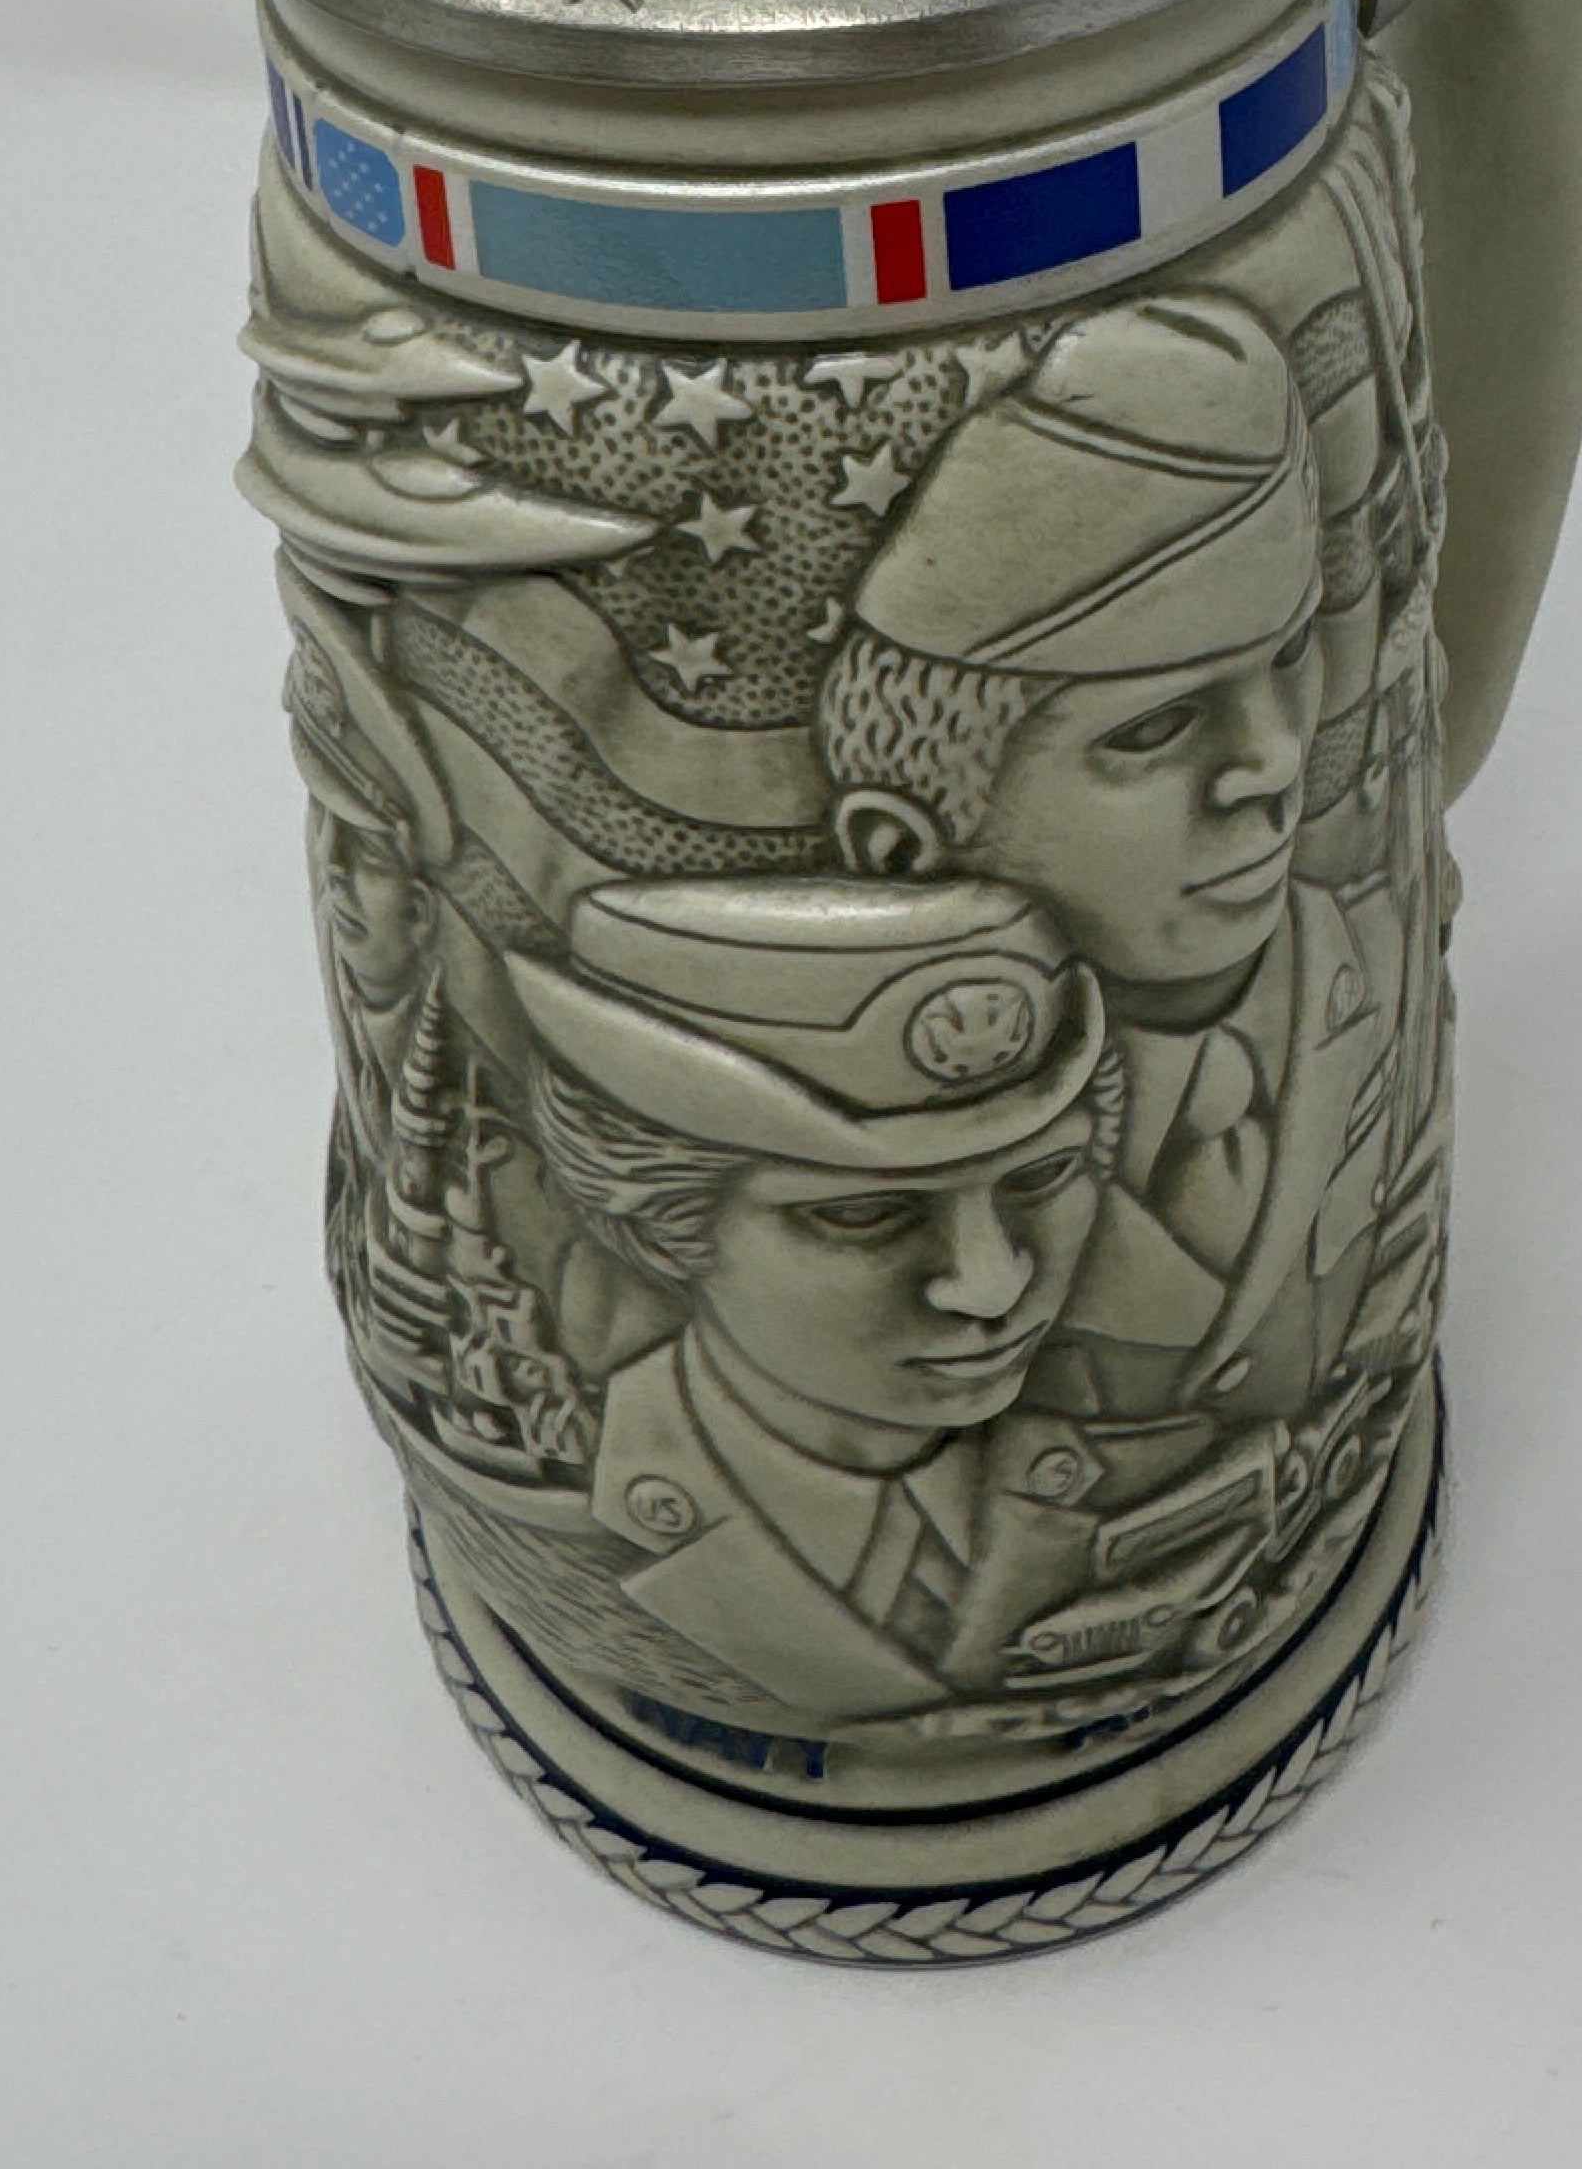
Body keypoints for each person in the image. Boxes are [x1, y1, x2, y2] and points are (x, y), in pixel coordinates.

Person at [814, 293, 1407, 1441]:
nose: (1275, 761)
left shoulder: (1372, 957)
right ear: (905, 852)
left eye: (1290, 657)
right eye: (1155, 729)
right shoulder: (834, 1179)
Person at [506, 872, 1131, 1727]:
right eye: (864, 1215)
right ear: (661, 1225)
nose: (992, 1282)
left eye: (1045, 1175)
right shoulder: (557, 1513)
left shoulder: (1144, 1445)